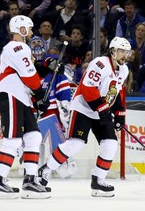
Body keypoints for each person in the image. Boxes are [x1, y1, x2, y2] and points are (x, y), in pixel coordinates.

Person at [38, 36, 131, 197]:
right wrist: (102, 109)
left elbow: (117, 92)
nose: (125, 55)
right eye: (122, 51)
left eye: (127, 52)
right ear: (113, 51)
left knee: (110, 143)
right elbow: (88, 88)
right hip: (83, 108)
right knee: (76, 143)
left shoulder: (123, 70)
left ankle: (98, 180)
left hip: (100, 110)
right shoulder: (100, 64)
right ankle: (45, 170)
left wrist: (120, 114)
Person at [0, 15, 51, 199]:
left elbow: (29, 72)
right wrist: (40, 95)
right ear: (22, 29)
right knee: (13, 140)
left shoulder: (18, 49)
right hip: (11, 95)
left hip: (19, 97)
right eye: (30, 29)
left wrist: (47, 66)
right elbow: (30, 76)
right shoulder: (18, 47)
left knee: (34, 136)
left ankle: (30, 180)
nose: (32, 32)